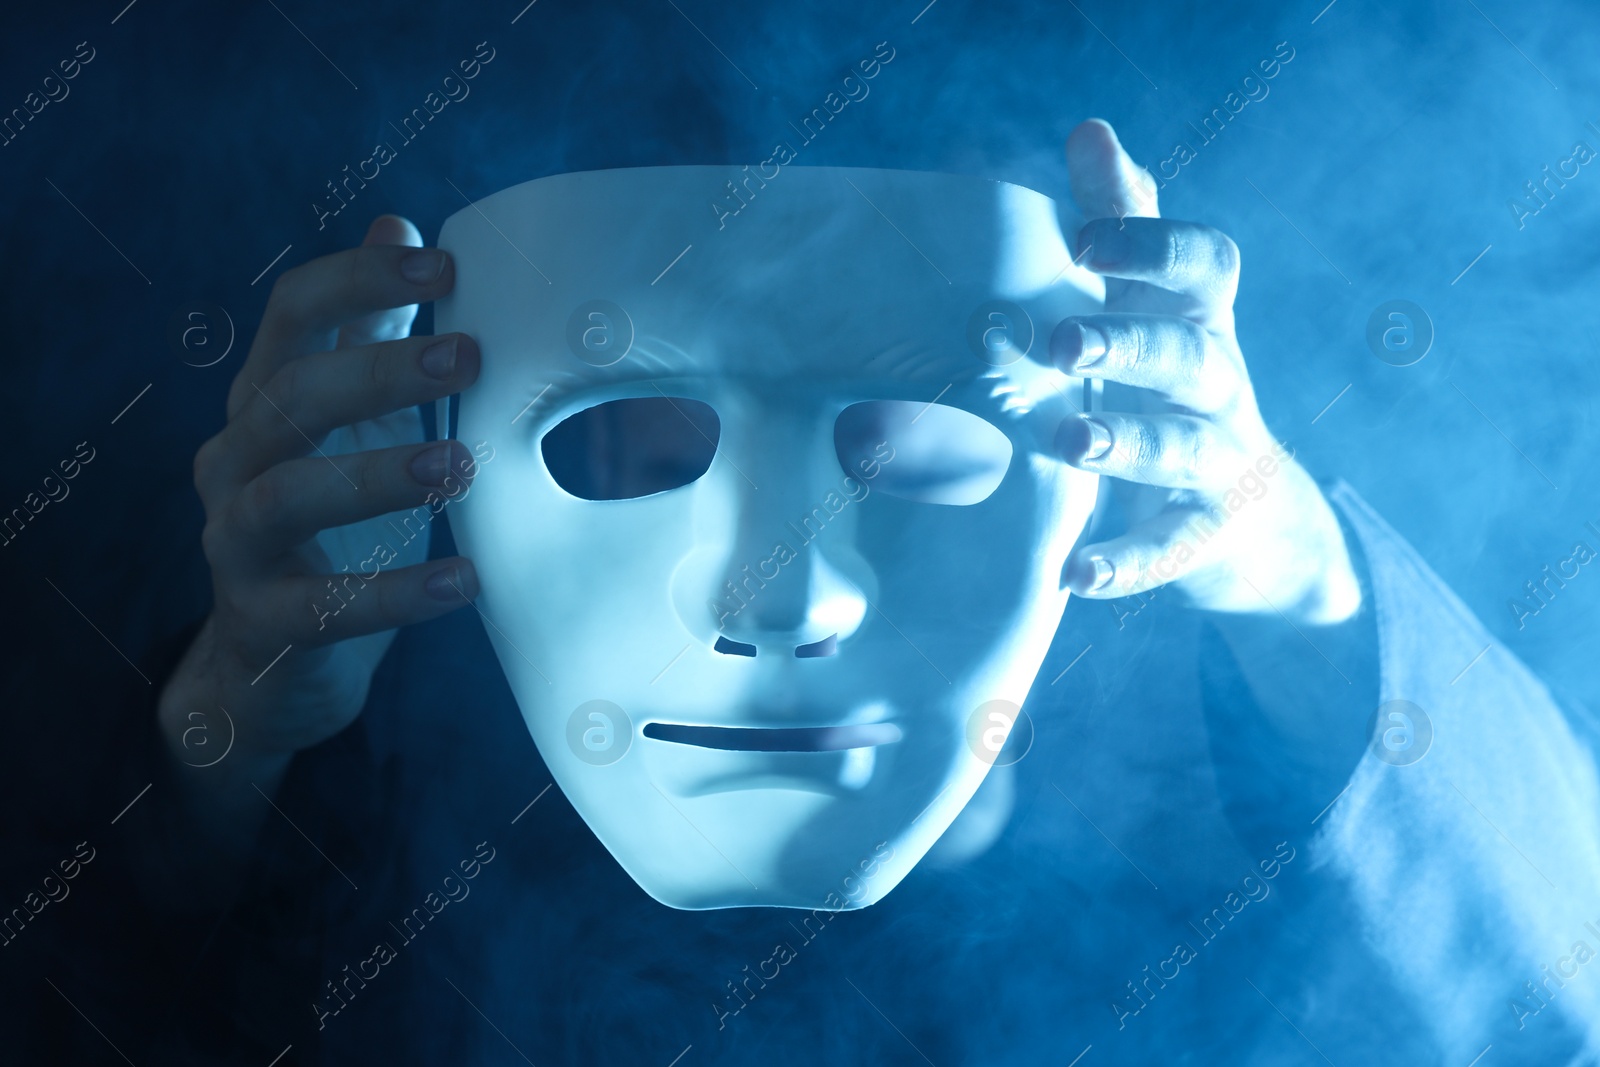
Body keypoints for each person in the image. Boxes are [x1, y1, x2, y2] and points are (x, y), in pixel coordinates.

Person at [104, 120, 1600, 1064]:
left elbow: (1549, 1006)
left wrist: (1295, 570)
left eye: (904, 451)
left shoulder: (1190, 954)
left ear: (1102, 459)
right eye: (630, 449)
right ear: (445, 454)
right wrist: (233, 729)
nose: (777, 601)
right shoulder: (396, 930)